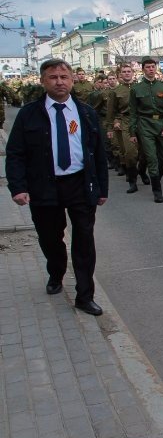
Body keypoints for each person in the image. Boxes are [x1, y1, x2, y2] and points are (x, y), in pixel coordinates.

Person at [6, 58, 109, 316]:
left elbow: (98, 153)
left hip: (79, 184)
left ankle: (85, 296)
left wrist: (102, 189)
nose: (59, 82)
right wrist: (18, 187)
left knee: (84, 240)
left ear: (72, 80)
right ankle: (56, 270)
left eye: (64, 77)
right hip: (44, 186)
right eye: (53, 77)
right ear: (43, 81)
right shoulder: (29, 114)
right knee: (51, 239)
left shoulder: (85, 112)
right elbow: (16, 153)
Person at [129, 57, 163, 203]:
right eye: (147, 67)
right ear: (143, 69)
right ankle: (157, 190)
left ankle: (153, 176)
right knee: (152, 158)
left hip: (161, 124)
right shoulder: (136, 88)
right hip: (145, 124)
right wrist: (132, 132)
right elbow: (133, 112)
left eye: (153, 67)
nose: (151, 69)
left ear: (156, 68)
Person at [106, 62, 141, 194]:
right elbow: (111, 111)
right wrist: (110, 127)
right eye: (124, 72)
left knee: (144, 152)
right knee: (130, 153)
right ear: (119, 75)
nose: (127, 73)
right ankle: (132, 180)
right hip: (125, 121)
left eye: (129, 71)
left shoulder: (140, 88)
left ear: (133, 73)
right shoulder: (116, 92)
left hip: (141, 121)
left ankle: (141, 171)